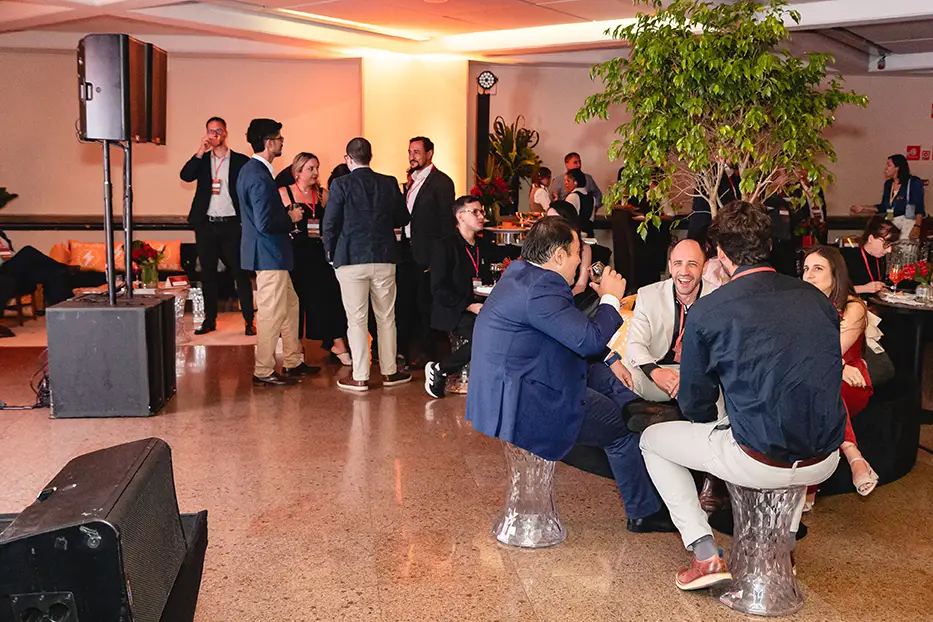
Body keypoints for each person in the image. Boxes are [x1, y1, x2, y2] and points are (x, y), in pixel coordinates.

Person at [639, 201, 845, 593]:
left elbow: (696, 405)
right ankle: (783, 548)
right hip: (825, 458)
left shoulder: (710, 310)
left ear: (720, 254)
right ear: (768, 244)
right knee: (791, 425)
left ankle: (704, 553)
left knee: (652, 441)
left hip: (758, 457)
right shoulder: (816, 299)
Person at [466, 216, 676, 534]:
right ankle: (643, 512)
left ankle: (640, 408)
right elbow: (588, 339)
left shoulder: (521, 274)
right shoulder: (542, 288)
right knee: (621, 431)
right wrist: (610, 298)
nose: (580, 261)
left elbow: (565, 329)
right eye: (577, 253)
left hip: (506, 389)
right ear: (559, 255)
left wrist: (610, 357)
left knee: (604, 373)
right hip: (525, 402)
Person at [322, 137, 412, 392]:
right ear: (370, 157)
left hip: (350, 258)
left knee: (357, 320)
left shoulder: (341, 184)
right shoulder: (388, 182)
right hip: (384, 257)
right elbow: (403, 217)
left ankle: (360, 376)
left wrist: (330, 254)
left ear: (348, 159)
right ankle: (389, 372)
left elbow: (330, 223)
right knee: (386, 318)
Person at [237, 118, 319, 386]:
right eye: (280, 138)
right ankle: (263, 370)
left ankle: (293, 361)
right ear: (269, 142)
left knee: (290, 305)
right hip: (269, 253)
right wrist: (291, 217)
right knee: (271, 313)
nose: (282, 142)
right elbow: (265, 222)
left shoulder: (251, 171)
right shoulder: (259, 175)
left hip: (272, 253)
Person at [802, 246, 879, 503]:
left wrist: (841, 365)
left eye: (818, 268)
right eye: (806, 269)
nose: (809, 275)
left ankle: (811, 486)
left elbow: (832, 351)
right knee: (816, 389)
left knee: (821, 390)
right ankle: (854, 455)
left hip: (852, 382)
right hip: (830, 374)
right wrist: (840, 367)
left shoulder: (852, 306)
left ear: (835, 274)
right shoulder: (801, 304)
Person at [179, 116, 255, 336]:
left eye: (219, 130)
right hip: (206, 225)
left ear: (226, 133)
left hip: (232, 224)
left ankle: (249, 320)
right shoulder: (202, 160)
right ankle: (209, 320)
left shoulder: (240, 161)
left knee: (240, 273)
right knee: (208, 275)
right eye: (211, 131)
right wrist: (199, 151)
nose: (215, 134)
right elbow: (185, 175)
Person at [624, 239, 719, 403]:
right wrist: (655, 372)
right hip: (658, 369)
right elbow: (635, 344)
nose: (684, 271)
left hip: (701, 375)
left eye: (692, 264)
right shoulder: (648, 295)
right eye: (678, 263)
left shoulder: (718, 298)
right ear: (670, 266)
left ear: (704, 267)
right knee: (628, 377)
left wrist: (693, 377)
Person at [277, 152, 351, 366]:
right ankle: (296, 347)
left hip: (318, 254)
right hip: (293, 254)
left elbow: (334, 222)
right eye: (310, 168)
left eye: (317, 168)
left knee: (328, 297)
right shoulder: (284, 193)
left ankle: (337, 342)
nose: (316, 173)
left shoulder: (321, 195)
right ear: (298, 172)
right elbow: (275, 222)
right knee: (295, 302)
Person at [424, 196, 491, 399]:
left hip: (480, 305)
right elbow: (438, 289)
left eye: (482, 211)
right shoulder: (445, 246)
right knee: (484, 334)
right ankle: (440, 369)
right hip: (453, 309)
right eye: (475, 212)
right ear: (460, 216)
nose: (481, 216)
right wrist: (468, 305)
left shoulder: (482, 245)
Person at [398, 136, 456, 367]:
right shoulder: (410, 181)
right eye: (409, 152)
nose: (412, 156)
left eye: (416, 152)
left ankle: (427, 351)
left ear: (429, 154)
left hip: (428, 253)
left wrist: (439, 256)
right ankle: (406, 349)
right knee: (407, 301)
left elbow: (446, 223)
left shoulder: (441, 182)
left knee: (426, 303)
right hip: (407, 250)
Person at [0, 238, 73, 338]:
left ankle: (62, 312)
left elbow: (8, 254)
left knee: (54, 273)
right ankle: (65, 269)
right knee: (27, 251)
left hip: (10, 271)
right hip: (3, 271)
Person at [852, 154, 925, 239]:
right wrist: (863, 208)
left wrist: (917, 226)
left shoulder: (913, 182)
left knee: (904, 245)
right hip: (891, 223)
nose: (886, 168)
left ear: (897, 168)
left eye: (888, 165)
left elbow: (919, 206)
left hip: (908, 222)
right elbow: (883, 207)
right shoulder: (888, 184)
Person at [840, 215, 899, 296]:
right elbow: (833, 289)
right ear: (871, 238)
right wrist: (864, 288)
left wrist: (881, 290)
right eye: (886, 244)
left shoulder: (881, 258)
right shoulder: (846, 256)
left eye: (892, 246)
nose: (889, 250)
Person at [564, 168, 595, 237]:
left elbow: (567, 219)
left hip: (576, 234)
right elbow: (591, 219)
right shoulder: (592, 198)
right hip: (588, 233)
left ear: (575, 182)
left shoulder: (572, 197)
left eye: (568, 181)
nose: (565, 183)